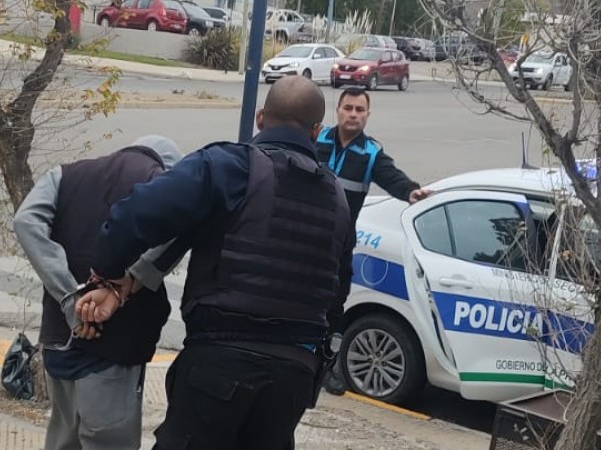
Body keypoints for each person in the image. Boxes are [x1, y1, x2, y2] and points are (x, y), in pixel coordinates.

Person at [74, 75, 355, 450]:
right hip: (293, 377)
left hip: (219, 363)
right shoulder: (337, 200)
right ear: (318, 131)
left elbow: (138, 214)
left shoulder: (229, 167)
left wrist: (107, 273)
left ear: (259, 118)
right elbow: (337, 296)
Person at [12, 135, 183, 450]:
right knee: (108, 441)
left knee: (64, 439)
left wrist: (69, 296)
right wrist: (128, 281)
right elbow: (179, 230)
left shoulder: (64, 175)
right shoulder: (161, 183)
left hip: (59, 339)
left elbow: (26, 221)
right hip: (116, 345)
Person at [316, 87, 431, 395]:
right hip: (307, 235)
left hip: (339, 244)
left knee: (334, 308)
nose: (353, 114)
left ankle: (326, 367)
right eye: (348, 108)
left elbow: (393, 177)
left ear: (367, 115)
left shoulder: (371, 154)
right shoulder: (317, 141)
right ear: (337, 109)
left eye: (360, 110)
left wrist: (411, 191)